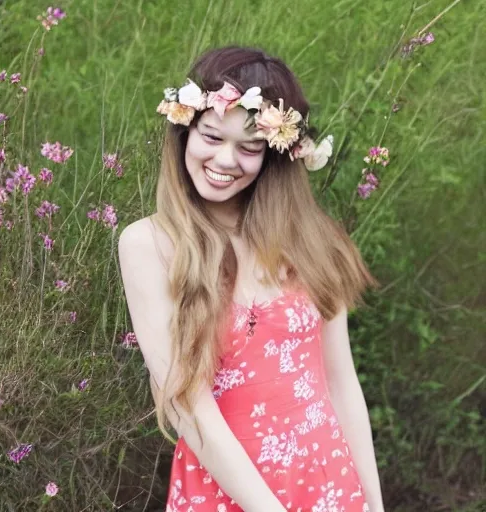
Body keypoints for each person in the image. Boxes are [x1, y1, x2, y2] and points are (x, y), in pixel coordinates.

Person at [118, 46, 385, 512]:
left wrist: (373, 504)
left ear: (276, 154)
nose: (225, 160)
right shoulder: (150, 245)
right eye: (211, 136)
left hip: (328, 483)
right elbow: (187, 404)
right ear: (185, 132)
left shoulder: (311, 239)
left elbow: (342, 385)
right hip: (227, 491)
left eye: (249, 147)